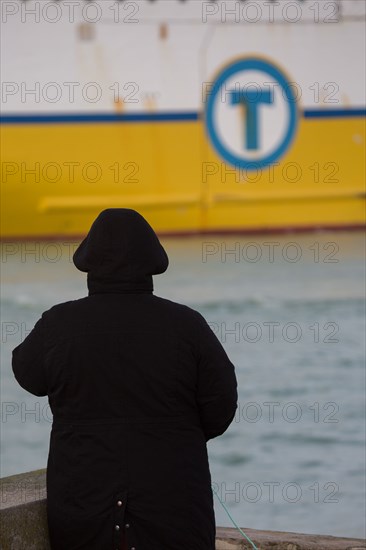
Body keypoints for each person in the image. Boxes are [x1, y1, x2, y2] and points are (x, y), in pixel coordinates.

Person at [12, 208, 238, 550]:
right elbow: (221, 406)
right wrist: (175, 436)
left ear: (89, 263)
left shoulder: (58, 324)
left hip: (83, 500)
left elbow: (28, 375)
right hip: (175, 502)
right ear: (151, 263)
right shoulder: (188, 325)